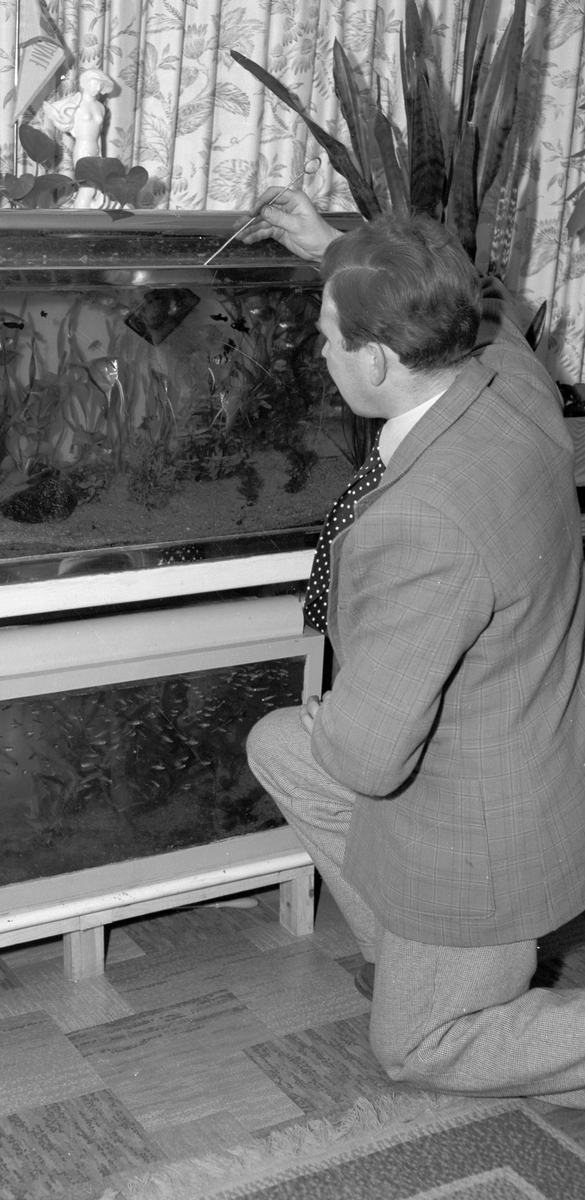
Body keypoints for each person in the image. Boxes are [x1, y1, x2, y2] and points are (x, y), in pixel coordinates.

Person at [244, 191, 585, 1106]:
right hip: (539, 747)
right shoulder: (508, 384)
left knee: (417, 1047)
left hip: (479, 825)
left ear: (377, 358)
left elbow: (368, 757)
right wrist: (332, 247)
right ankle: (415, 962)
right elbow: (487, 309)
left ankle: (442, 1001)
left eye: (327, 336)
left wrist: (336, 717)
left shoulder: (422, 523)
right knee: (280, 745)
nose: (319, 351)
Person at [46, 68, 115, 208]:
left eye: (100, 85)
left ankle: (84, 215)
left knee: (95, 188)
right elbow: (52, 108)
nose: (97, 88)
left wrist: (101, 156)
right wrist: (66, 119)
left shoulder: (100, 107)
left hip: (96, 149)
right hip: (82, 149)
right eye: (94, 83)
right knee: (87, 188)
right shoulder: (76, 103)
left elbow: (99, 135)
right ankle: (80, 216)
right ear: (86, 83)